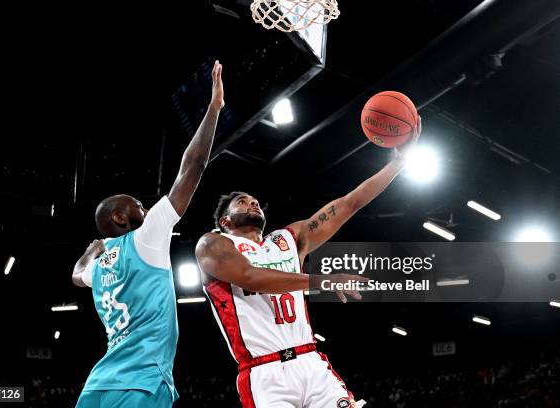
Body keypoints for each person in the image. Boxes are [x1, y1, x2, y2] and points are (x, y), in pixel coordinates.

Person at [195, 117, 421, 408]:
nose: (253, 203)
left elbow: (349, 203)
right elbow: (249, 276)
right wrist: (321, 281)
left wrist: (398, 163)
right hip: (264, 374)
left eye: (254, 201)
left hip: (311, 363)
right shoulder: (213, 244)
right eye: (242, 202)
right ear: (225, 220)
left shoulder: (289, 238)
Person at [71, 60, 225, 408]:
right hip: (142, 382)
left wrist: (92, 250)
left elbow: (76, 274)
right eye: (138, 205)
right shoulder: (145, 238)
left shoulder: (98, 269)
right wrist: (213, 108)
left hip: (96, 387)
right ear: (121, 218)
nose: (146, 208)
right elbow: (193, 166)